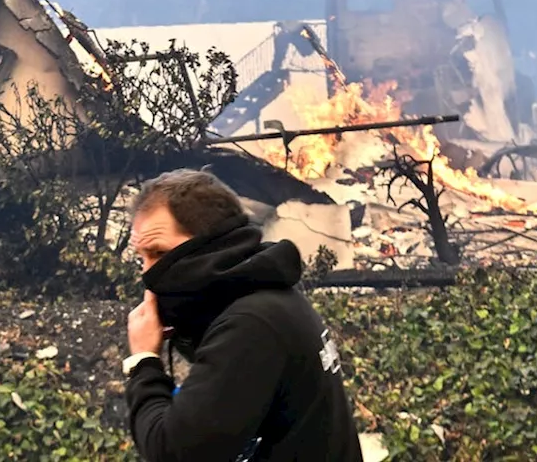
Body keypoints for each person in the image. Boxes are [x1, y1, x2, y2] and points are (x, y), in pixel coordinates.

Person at [123, 169, 362, 461]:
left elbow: (171, 452)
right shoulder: (268, 299)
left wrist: (143, 362)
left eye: (159, 254)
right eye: (142, 259)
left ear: (209, 245)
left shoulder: (250, 324)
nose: (148, 274)